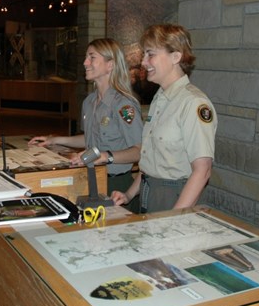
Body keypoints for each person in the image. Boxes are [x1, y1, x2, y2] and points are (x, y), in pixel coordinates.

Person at [111, 24, 218, 213]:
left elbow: (203, 171)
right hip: (148, 191)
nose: (143, 62)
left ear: (176, 56)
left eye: (150, 54)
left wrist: (174, 218)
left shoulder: (193, 103)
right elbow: (152, 162)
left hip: (176, 197)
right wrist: (129, 194)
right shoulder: (160, 98)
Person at [29, 38, 143, 202]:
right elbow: (89, 138)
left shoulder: (124, 105)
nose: (85, 62)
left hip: (116, 186)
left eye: (92, 57)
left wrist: (106, 156)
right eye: (86, 57)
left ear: (110, 65)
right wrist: (55, 140)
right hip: (89, 178)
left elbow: (139, 150)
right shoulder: (89, 102)